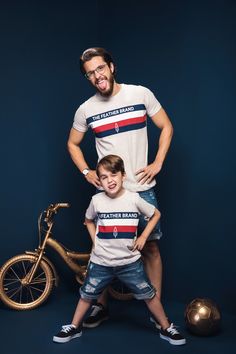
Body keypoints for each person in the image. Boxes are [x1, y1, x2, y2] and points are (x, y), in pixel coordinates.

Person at [67, 47, 173, 328]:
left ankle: (156, 311)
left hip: (141, 187)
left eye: (100, 68)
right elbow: (72, 144)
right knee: (103, 250)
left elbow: (166, 126)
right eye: (90, 73)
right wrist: (87, 171)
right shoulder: (86, 110)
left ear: (111, 67)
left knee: (150, 249)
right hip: (109, 193)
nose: (96, 76)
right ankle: (100, 307)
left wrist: (158, 162)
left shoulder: (140, 94)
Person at [53, 155, 186, 346]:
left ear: (123, 175)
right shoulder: (97, 200)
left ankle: (166, 327)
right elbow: (88, 220)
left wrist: (142, 237)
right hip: (101, 263)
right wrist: (95, 242)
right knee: (86, 295)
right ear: (100, 181)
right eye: (104, 177)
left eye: (113, 175)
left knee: (148, 294)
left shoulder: (133, 199)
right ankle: (74, 327)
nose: (110, 180)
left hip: (130, 263)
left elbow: (156, 214)